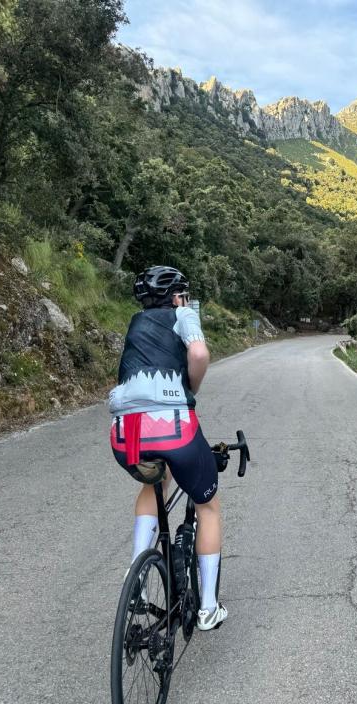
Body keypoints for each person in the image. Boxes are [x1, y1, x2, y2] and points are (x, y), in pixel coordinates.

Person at [108, 265, 226, 631]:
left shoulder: (136, 322)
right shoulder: (183, 314)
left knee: (154, 482)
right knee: (208, 507)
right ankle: (208, 608)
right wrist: (191, 387)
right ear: (177, 297)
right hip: (174, 428)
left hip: (124, 434)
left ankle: (137, 576)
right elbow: (200, 354)